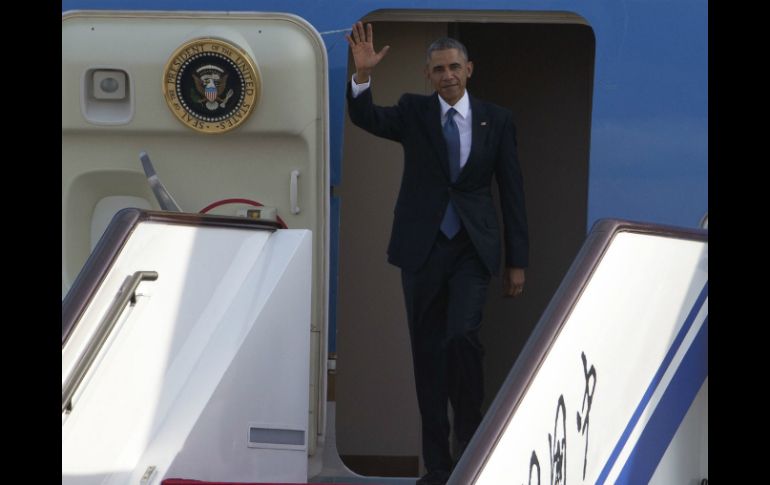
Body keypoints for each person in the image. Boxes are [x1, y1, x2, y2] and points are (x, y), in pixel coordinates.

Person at [345, 22, 529, 485]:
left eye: (454, 67)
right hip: (422, 249)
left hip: (472, 249)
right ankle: (438, 467)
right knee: (427, 354)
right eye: (438, 69)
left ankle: (470, 448)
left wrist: (517, 261)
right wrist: (362, 77)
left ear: (469, 69)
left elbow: (512, 192)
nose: (447, 75)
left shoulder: (497, 119)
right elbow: (367, 119)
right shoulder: (412, 111)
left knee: (462, 337)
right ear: (428, 76)